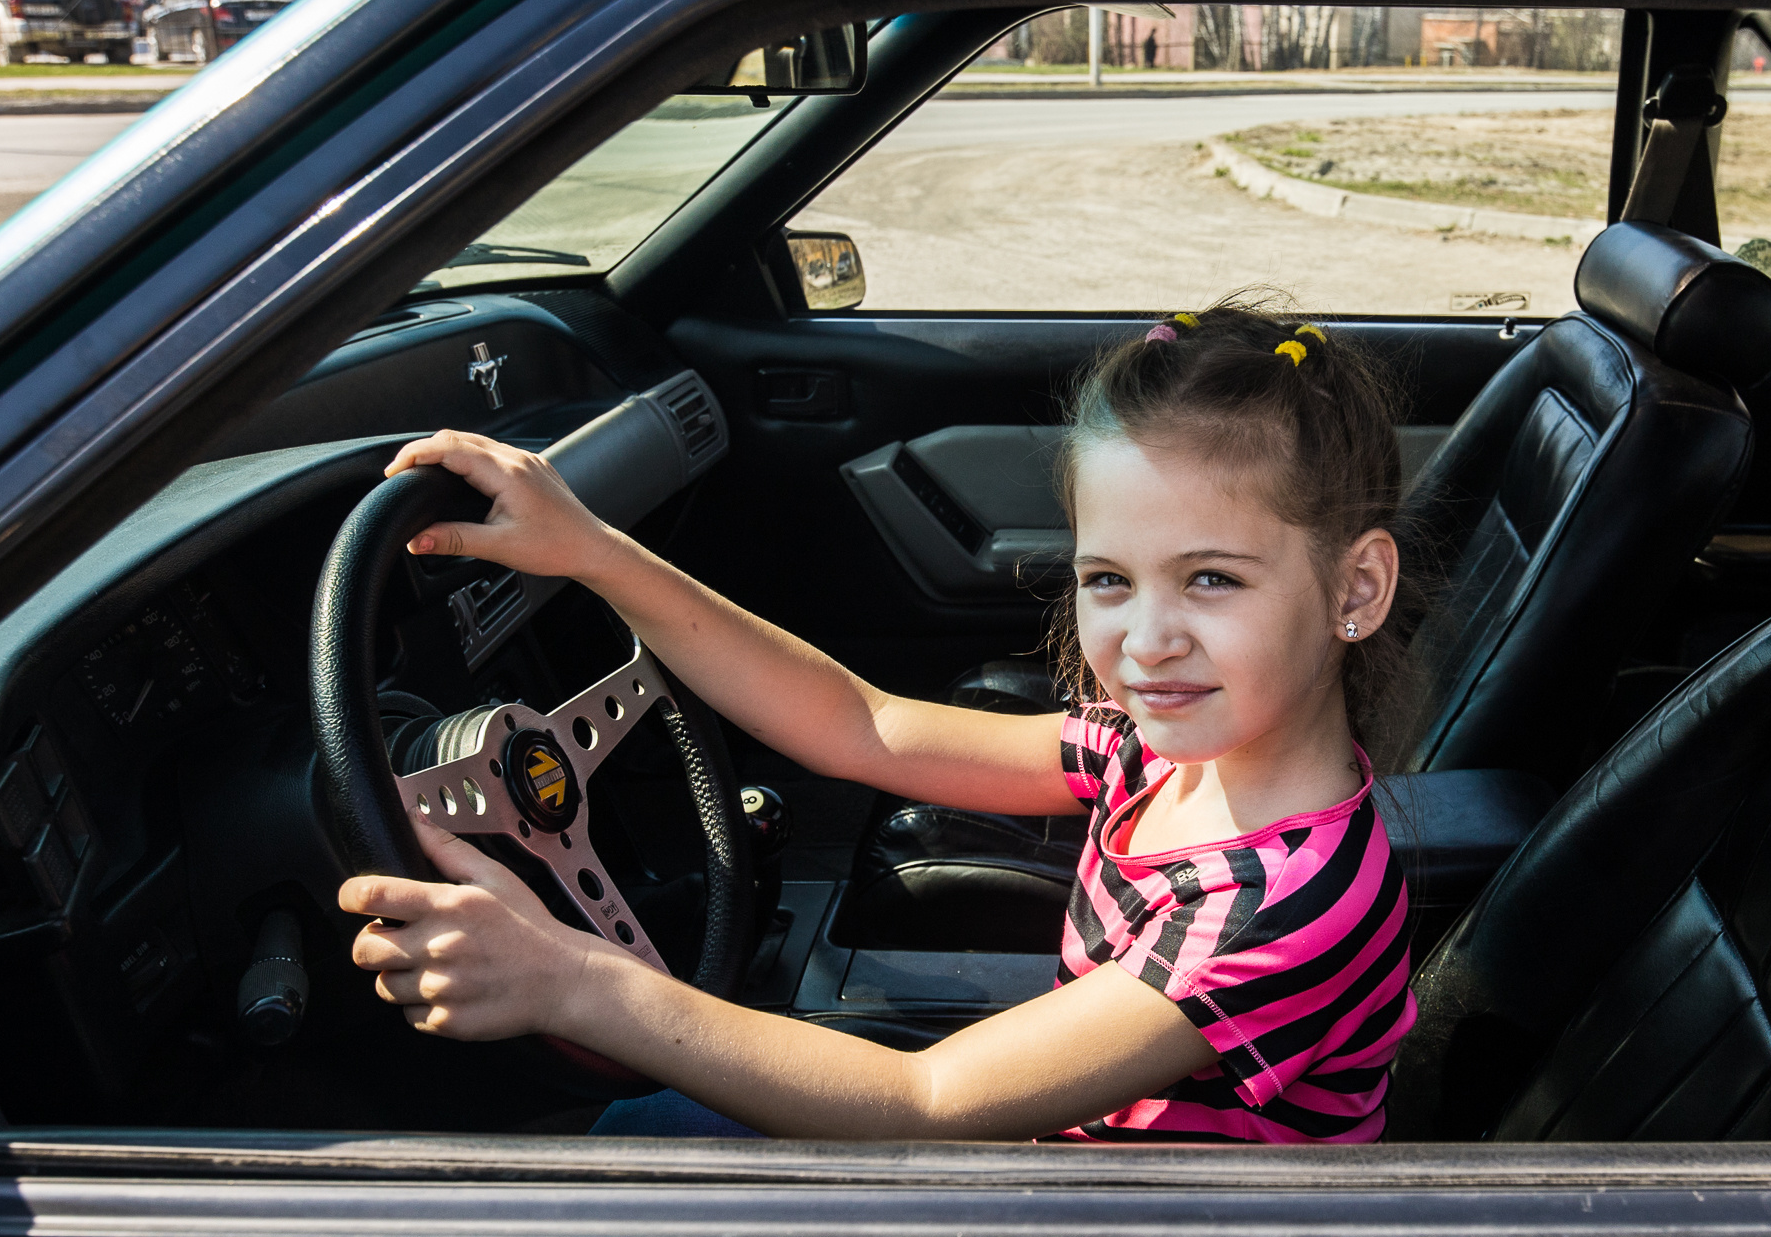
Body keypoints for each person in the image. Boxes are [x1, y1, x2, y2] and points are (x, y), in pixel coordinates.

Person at [344, 300, 1420, 1144]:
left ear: (1355, 589)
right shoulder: (1161, 755)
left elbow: (929, 1098)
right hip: (1085, 1174)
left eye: (1212, 579)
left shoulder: (1278, 903)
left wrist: (568, 976)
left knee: (635, 1157)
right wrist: (593, 552)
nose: (1146, 639)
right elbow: (866, 726)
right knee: (643, 1137)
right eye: (1107, 578)